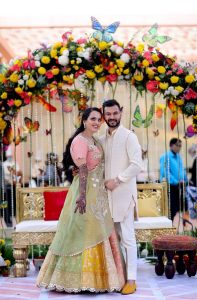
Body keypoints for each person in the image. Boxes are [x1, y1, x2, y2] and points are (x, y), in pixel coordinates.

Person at [37, 107, 125, 293]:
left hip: (98, 195)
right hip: (84, 194)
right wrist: (83, 196)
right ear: (84, 120)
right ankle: (78, 281)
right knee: (82, 230)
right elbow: (83, 169)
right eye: (92, 118)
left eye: (98, 119)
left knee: (97, 230)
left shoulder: (94, 140)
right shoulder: (79, 140)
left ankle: (99, 280)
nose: (96, 122)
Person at [100, 99, 143, 295]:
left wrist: (116, 180)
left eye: (115, 113)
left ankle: (132, 280)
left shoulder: (129, 136)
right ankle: (119, 277)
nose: (111, 117)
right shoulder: (102, 138)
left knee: (128, 238)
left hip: (124, 195)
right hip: (107, 197)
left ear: (121, 112)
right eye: (108, 114)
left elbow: (136, 165)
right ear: (103, 115)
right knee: (113, 239)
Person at [160, 138, 188, 221]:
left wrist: (185, 180)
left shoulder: (178, 156)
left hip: (180, 185)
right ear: (171, 145)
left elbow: (182, 170)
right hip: (171, 186)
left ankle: (181, 226)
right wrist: (175, 181)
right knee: (171, 209)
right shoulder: (165, 156)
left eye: (180, 146)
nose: (179, 148)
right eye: (177, 145)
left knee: (182, 208)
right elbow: (164, 172)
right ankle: (169, 227)